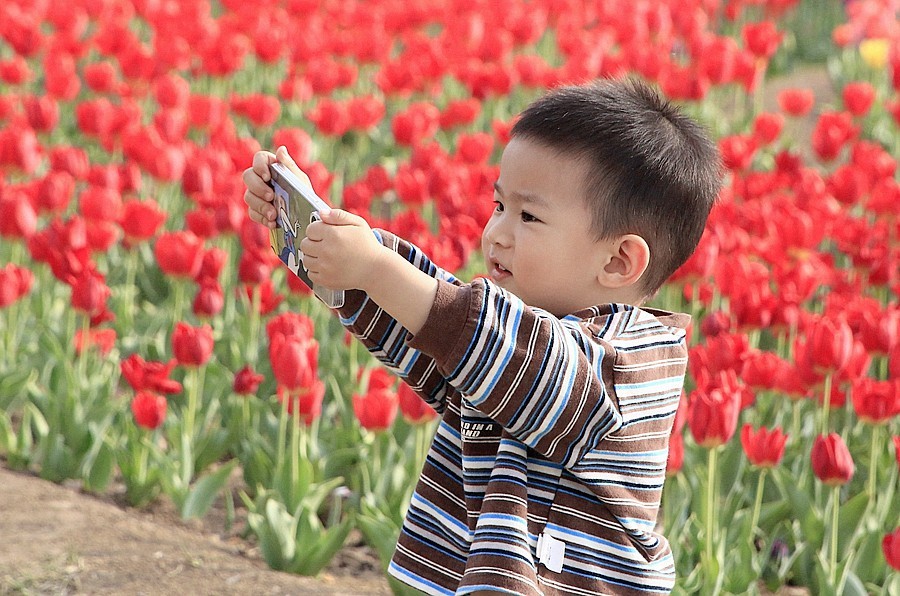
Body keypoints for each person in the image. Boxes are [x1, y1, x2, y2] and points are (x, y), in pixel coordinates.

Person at [243, 77, 722, 596]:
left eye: (528, 215)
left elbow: (510, 353)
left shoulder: (628, 364)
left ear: (618, 260)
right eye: (498, 206)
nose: (496, 232)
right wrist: (324, 239)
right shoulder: (504, 343)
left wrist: (376, 269)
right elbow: (436, 338)